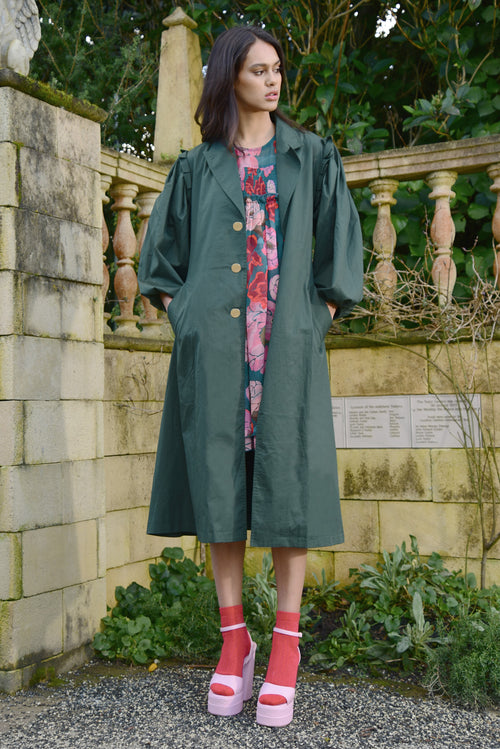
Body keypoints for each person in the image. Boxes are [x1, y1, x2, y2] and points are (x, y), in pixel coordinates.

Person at [138, 25, 364, 727]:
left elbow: (342, 250)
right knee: (223, 495)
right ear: (229, 78)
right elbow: (159, 261)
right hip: (218, 357)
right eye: (259, 70)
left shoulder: (312, 158)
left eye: (277, 70)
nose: (273, 82)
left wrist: (314, 317)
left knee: (287, 494)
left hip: (285, 353)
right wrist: (190, 319)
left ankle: (287, 649)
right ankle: (234, 642)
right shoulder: (195, 167)